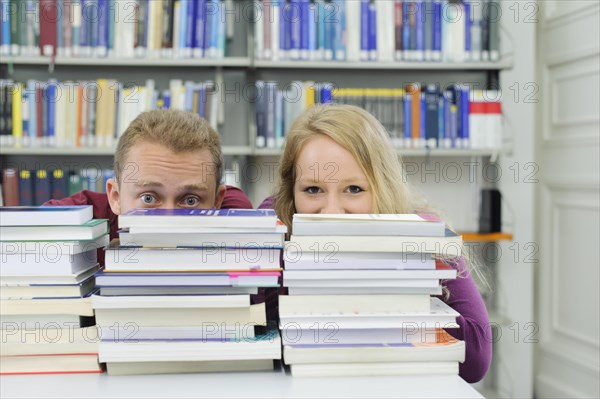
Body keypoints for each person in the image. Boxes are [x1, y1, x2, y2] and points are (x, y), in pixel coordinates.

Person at [258, 104, 492, 383]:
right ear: (291, 192)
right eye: (313, 189)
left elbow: (476, 359)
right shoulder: (278, 222)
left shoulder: (424, 236)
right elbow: (258, 331)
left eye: (354, 189)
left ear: (382, 185)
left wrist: (392, 281)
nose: (332, 212)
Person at [45, 109, 253, 262]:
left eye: (190, 200)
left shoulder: (234, 213)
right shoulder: (71, 224)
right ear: (115, 197)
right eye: (149, 198)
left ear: (217, 201)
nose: (168, 221)